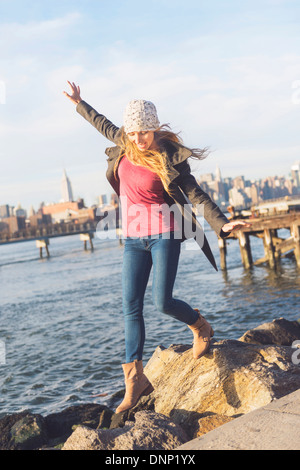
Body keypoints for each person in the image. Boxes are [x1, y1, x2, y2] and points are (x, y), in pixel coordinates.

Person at [63, 81, 250, 414]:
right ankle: (135, 380)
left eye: (144, 132)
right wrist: (80, 102)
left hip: (164, 233)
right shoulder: (124, 142)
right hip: (133, 240)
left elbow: (196, 195)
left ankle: (200, 325)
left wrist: (222, 224)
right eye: (133, 132)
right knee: (130, 306)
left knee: (162, 302)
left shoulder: (169, 158)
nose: (138, 139)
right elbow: (101, 122)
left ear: (155, 128)